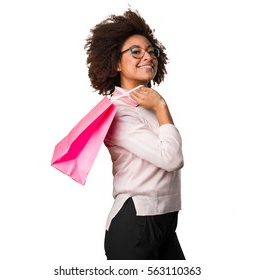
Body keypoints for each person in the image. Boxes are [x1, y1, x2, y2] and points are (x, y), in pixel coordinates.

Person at [84, 8, 185, 260]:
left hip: (166, 222)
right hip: (136, 223)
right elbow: (171, 159)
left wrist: (158, 107)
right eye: (136, 52)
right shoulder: (117, 113)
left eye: (152, 51)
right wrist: (162, 107)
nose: (148, 57)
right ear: (116, 63)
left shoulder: (147, 106)